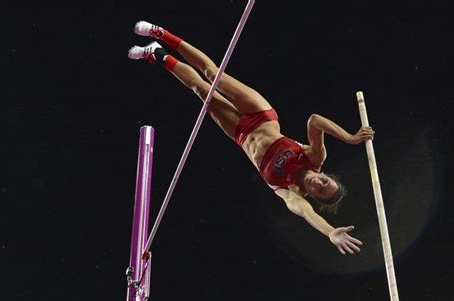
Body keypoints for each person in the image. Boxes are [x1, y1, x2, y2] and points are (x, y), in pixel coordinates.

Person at [128, 21, 374, 255]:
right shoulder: (314, 157)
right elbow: (314, 121)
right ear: (325, 175)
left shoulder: (291, 192)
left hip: (240, 133)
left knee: (200, 89)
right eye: (325, 183)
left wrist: (331, 232)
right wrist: (351, 138)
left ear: (314, 196)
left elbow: (307, 214)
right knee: (213, 75)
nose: (319, 185)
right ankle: (162, 34)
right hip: (262, 115)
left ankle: (156, 54)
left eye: (320, 192)